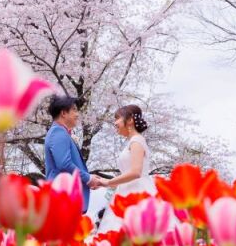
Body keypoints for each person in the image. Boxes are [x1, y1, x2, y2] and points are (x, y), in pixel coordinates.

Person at [95, 104, 157, 233]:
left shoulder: (137, 141)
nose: (115, 123)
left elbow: (135, 172)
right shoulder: (132, 142)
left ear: (129, 121)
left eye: (117, 118)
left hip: (137, 192)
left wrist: (108, 182)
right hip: (126, 191)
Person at [44, 95, 101, 213]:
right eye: (74, 110)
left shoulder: (60, 132)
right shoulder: (58, 132)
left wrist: (88, 178)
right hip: (64, 196)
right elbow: (64, 164)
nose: (77, 114)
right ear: (64, 113)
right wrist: (88, 179)